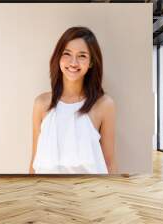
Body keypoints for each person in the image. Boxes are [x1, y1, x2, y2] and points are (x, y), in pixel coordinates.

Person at [29, 26, 117, 174]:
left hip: (89, 193)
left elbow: (109, 162)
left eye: (82, 56)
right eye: (67, 54)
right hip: (45, 193)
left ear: (91, 62)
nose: (73, 62)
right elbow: (34, 160)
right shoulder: (41, 103)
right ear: (58, 58)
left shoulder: (104, 105)